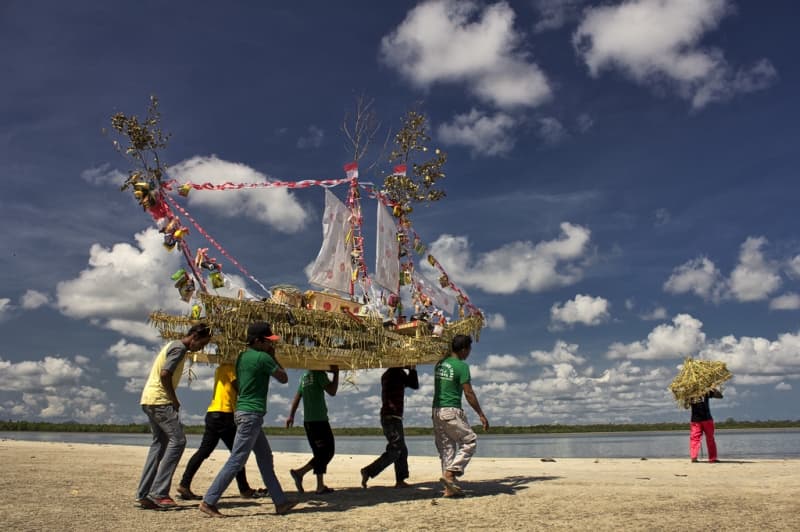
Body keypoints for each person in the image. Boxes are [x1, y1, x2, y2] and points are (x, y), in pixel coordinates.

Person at [199, 322, 296, 517]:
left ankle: (280, 502)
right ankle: (209, 501)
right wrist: (273, 355)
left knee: (265, 458)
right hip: (251, 415)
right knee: (237, 459)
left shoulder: (242, 356)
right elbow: (284, 378)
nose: (270, 344)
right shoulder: (263, 357)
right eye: (268, 341)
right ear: (259, 341)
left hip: (245, 413)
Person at [136, 322, 212, 509]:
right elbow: (164, 374)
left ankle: (144, 493)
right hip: (161, 401)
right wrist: (173, 399)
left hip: (149, 399)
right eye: (201, 344)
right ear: (194, 337)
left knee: (159, 445)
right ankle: (159, 493)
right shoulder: (179, 348)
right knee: (178, 441)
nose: (201, 347)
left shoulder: (173, 345)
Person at [177, 361, 265, 500]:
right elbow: (241, 389)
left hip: (213, 413)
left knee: (204, 451)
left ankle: (184, 483)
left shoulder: (220, 369)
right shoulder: (230, 368)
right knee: (238, 453)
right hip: (225, 415)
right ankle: (244, 489)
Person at [432, 334, 489, 497]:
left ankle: (449, 488)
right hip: (451, 410)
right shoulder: (461, 366)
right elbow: (468, 392)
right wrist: (481, 414)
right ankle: (451, 473)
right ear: (464, 349)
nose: (469, 352)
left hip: (436, 411)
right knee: (469, 441)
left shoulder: (439, 364)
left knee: (447, 449)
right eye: (469, 349)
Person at [360, 366, 419, 489]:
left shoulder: (389, 374)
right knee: (396, 449)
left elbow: (411, 384)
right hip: (391, 417)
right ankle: (369, 471)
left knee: (401, 449)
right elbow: (414, 385)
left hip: (392, 416)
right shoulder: (396, 373)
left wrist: (410, 370)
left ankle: (400, 480)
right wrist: (412, 369)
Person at [286, 367, 339, 494]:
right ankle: (300, 472)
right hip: (319, 421)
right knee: (327, 452)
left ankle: (320, 486)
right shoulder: (318, 373)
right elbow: (332, 391)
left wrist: (291, 415)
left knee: (319, 453)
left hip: (308, 421)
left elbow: (298, 396)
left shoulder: (305, 376)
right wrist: (336, 374)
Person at [690, 389, 723, 463]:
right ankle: (694, 457)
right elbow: (685, 404)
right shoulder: (690, 391)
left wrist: (713, 388)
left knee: (710, 438)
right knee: (695, 438)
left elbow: (720, 396)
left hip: (706, 419)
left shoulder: (706, 391)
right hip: (696, 420)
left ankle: (712, 458)